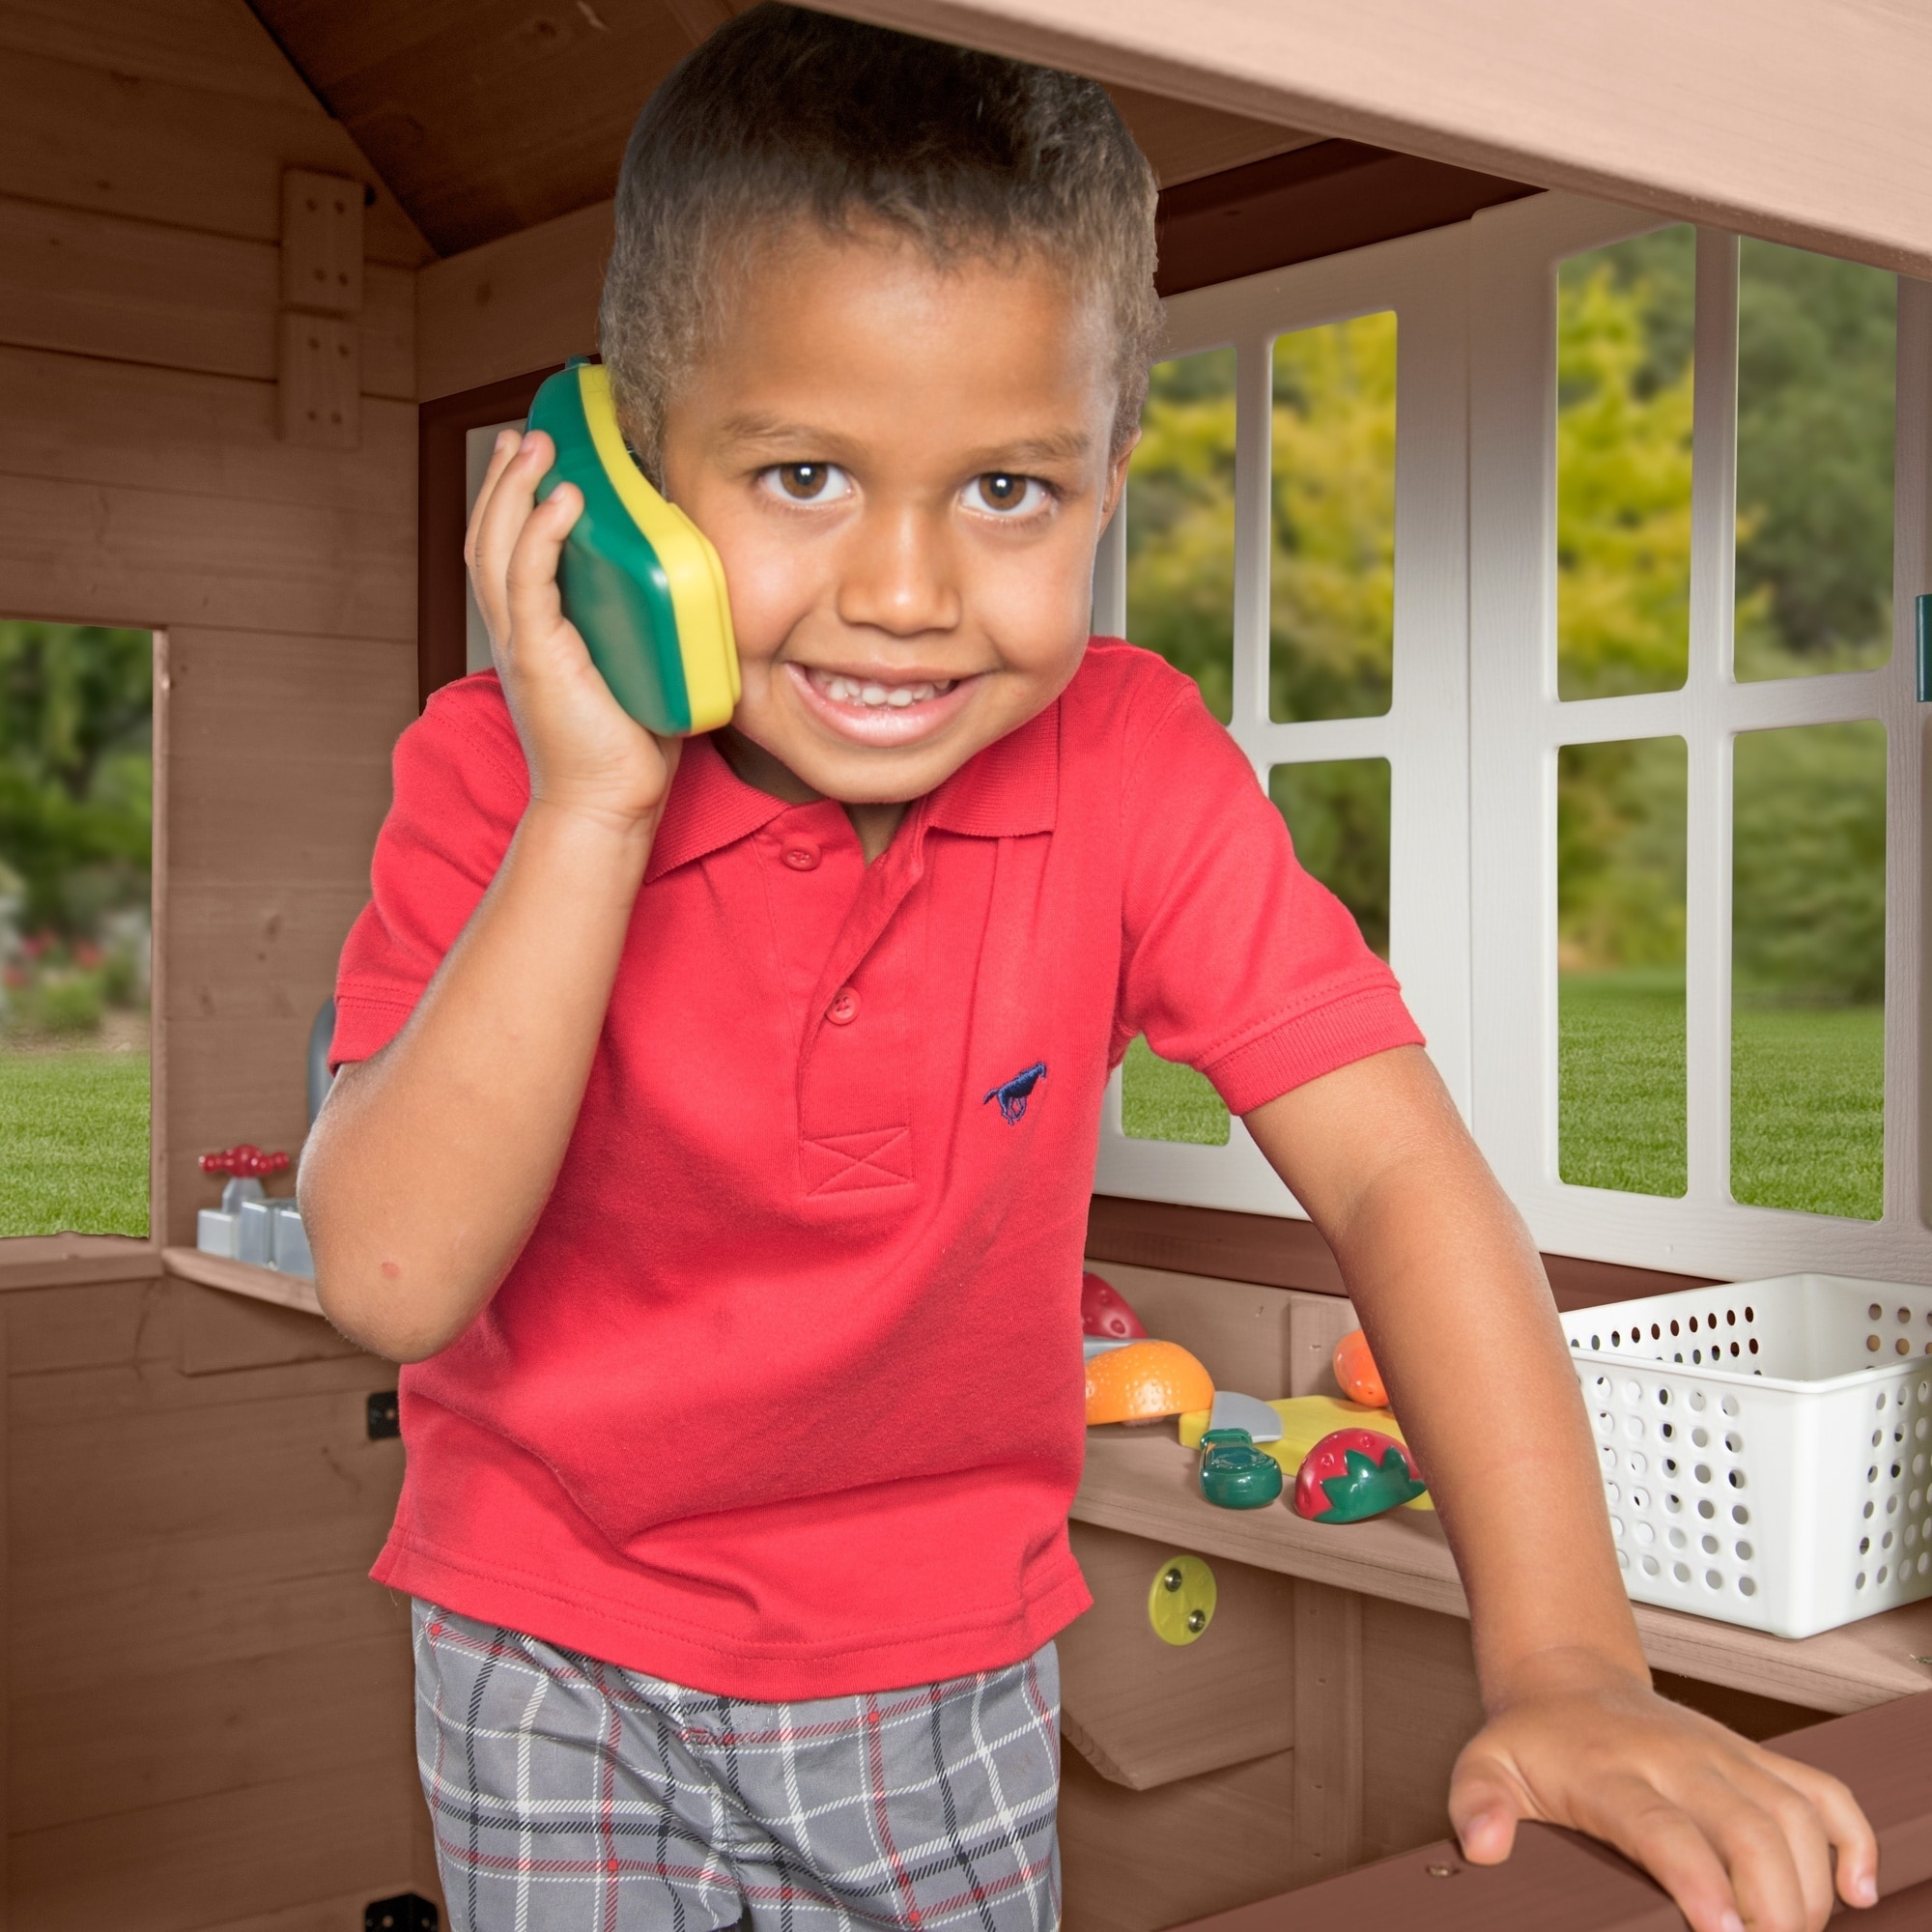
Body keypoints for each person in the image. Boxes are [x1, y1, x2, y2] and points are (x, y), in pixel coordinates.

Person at [298, 9, 1877, 1929]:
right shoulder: (496, 770)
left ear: (1107, 482)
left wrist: (1567, 1667)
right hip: (543, 1645)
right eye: (800, 475)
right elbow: (390, 1276)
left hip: (942, 1670)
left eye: (1005, 490)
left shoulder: (1133, 768)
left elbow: (1394, 1169)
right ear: (624, 480)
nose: (902, 588)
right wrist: (593, 809)